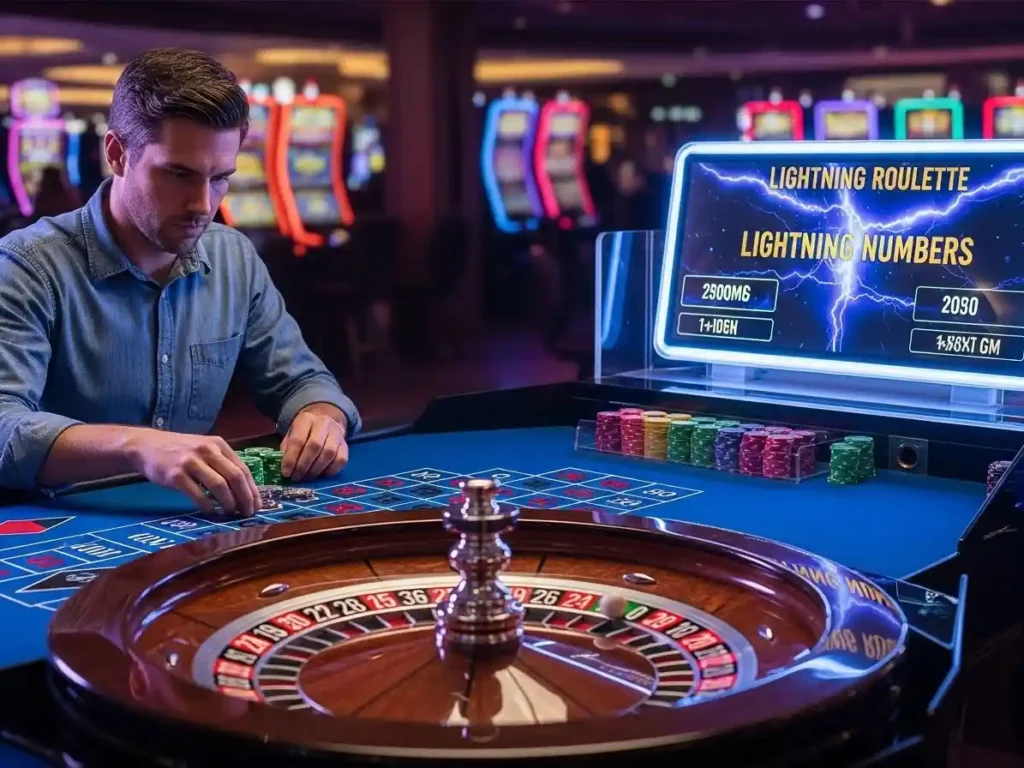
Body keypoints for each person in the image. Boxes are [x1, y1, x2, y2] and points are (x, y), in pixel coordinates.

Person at [0, 48, 359, 516]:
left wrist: (321, 416)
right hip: (52, 528)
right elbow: (4, 427)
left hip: (182, 524)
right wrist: (140, 448)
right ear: (117, 154)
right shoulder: (27, 266)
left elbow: (304, 381)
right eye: (179, 174)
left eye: (220, 178)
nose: (202, 204)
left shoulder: (233, 258)